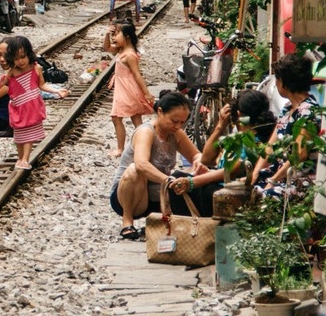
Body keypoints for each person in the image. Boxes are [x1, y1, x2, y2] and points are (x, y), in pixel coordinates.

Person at [110, 90, 206, 239]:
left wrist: (199, 161)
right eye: (174, 121)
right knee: (134, 170)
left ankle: (162, 221)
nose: (177, 126)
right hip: (131, 196)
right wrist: (168, 180)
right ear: (160, 112)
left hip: (158, 197)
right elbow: (141, 164)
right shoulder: (146, 132)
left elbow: (195, 154)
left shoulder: (177, 134)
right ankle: (127, 221)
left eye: (182, 122)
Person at [167, 89, 278, 216]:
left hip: (232, 191)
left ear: (238, 114)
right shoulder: (240, 137)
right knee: (177, 176)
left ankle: (188, 230)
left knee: (177, 182)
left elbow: (233, 169)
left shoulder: (256, 141)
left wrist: (192, 182)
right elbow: (206, 159)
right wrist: (220, 126)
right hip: (223, 185)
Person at [0, 36, 67, 170]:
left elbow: (42, 85)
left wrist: (57, 91)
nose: (20, 61)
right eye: (16, 58)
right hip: (18, 106)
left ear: (29, 54)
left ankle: (25, 159)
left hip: (32, 106)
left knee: (30, 134)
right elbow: (1, 84)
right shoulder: (12, 71)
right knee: (19, 135)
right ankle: (20, 158)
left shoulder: (36, 68)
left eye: (23, 57)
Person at [252, 54, 319, 198]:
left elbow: (300, 154)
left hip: (300, 179)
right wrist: (255, 173)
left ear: (283, 82)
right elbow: (270, 146)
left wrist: (273, 180)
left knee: (263, 196)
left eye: (277, 78)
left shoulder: (308, 112)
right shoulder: (288, 109)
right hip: (282, 174)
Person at [102, 22, 155, 158]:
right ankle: (144, 145)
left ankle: (122, 148)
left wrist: (147, 93)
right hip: (123, 88)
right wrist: (107, 34)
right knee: (134, 118)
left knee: (118, 117)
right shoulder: (121, 50)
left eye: (116, 34)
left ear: (127, 37)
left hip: (128, 89)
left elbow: (137, 75)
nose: (114, 38)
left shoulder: (129, 55)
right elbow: (106, 47)